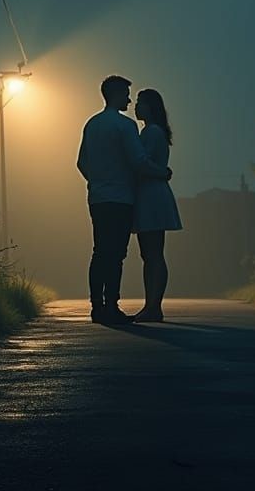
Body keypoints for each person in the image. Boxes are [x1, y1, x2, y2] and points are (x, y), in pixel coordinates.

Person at [77, 75, 171, 325]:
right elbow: (139, 162)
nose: (129, 100)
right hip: (121, 197)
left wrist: (96, 180)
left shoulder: (92, 124)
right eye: (127, 95)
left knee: (99, 251)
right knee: (116, 253)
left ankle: (97, 306)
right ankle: (111, 305)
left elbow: (81, 162)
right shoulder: (126, 126)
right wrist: (163, 172)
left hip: (97, 196)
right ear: (117, 94)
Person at [131, 88, 182, 322]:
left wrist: (159, 172)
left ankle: (153, 306)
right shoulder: (153, 131)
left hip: (151, 197)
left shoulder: (151, 132)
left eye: (141, 102)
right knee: (151, 254)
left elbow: (143, 164)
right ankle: (151, 304)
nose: (136, 106)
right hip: (152, 195)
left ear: (151, 107)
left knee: (152, 254)